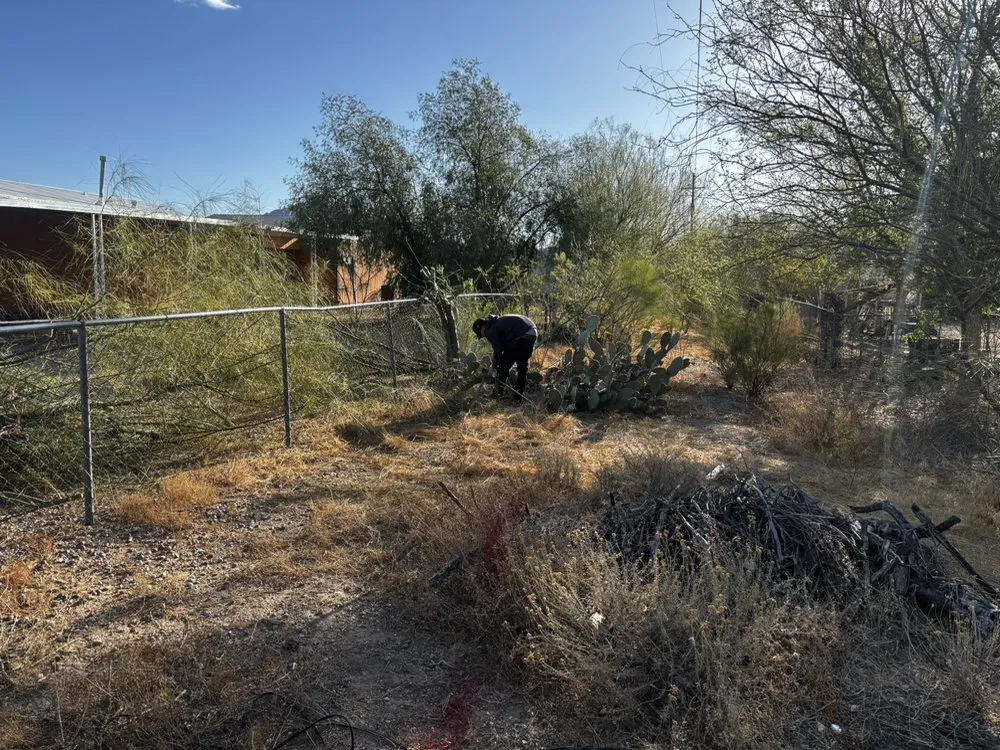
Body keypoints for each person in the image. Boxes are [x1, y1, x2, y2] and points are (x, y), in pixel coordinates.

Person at [473, 313, 538, 400]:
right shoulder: (496, 322)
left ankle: (498, 393)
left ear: (481, 327)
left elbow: (498, 351)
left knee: (503, 366)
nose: (482, 336)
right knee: (522, 366)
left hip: (522, 335)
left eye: (480, 334)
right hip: (532, 332)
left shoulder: (490, 331)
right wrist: (497, 360)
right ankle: (518, 396)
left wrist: (497, 366)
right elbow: (504, 347)